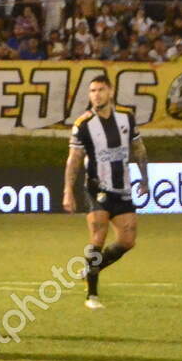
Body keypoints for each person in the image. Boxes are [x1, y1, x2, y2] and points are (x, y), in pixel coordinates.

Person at [63, 77, 147, 309]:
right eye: (92, 91)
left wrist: (145, 179)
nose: (96, 94)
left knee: (128, 241)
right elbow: (74, 159)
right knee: (98, 235)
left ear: (110, 92)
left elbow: (138, 149)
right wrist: (67, 190)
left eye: (100, 90)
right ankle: (92, 295)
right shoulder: (83, 123)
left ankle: (91, 268)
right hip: (96, 187)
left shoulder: (126, 119)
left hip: (123, 188)